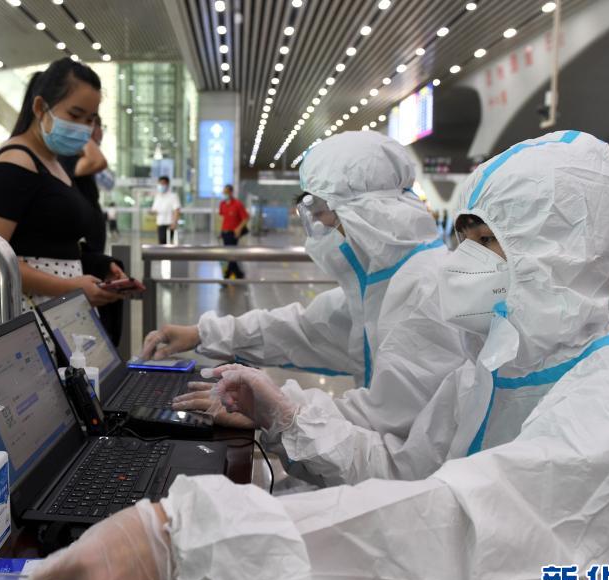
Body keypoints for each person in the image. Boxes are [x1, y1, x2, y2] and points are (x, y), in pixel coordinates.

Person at [22, 132, 609, 580]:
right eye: (461, 235)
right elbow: (403, 473)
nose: (461, 262)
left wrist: (192, 536)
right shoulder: (485, 376)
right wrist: (287, 417)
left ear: (563, 258)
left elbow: (468, 536)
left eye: (489, 242)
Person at [141, 132, 448, 390]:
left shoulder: (427, 294)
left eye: (321, 213)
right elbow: (306, 331)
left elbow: (394, 431)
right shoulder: (381, 286)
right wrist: (203, 333)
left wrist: (285, 415)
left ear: (367, 211)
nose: (321, 227)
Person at [0, 58, 125, 332]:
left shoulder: (52, 162)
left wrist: (99, 265)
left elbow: (49, 242)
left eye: (90, 119)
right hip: (27, 318)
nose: (84, 128)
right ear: (40, 107)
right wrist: (66, 286)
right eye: (75, 115)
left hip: (56, 313)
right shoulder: (15, 163)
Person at [59, 116, 126, 344]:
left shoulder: (74, 161)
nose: (100, 133)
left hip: (88, 256)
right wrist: (82, 132)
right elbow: (98, 161)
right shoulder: (65, 158)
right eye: (93, 124)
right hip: (78, 259)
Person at [218, 184, 249, 279]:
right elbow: (222, 218)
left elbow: (246, 218)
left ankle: (228, 274)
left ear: (231, 192)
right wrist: (220, 231)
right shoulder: (222, 204)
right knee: (228, 253)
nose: (225, 194)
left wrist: (238, 228)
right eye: (224, 192)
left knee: (230, 253)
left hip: (233, 233)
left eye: (226, 192)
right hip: (225, 232)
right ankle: (238, 273)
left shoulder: (237, 204)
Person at [151, 175, 180, 245]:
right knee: (161, 243)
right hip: (160, 224)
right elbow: (154, 210)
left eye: (163, 183)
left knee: (167, 244)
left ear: (167, 184)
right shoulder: (158, 196)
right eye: (160, 184)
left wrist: (174, 223)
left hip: (169, 224)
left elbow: (176, 210)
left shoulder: (173, 196)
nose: (161, 185)